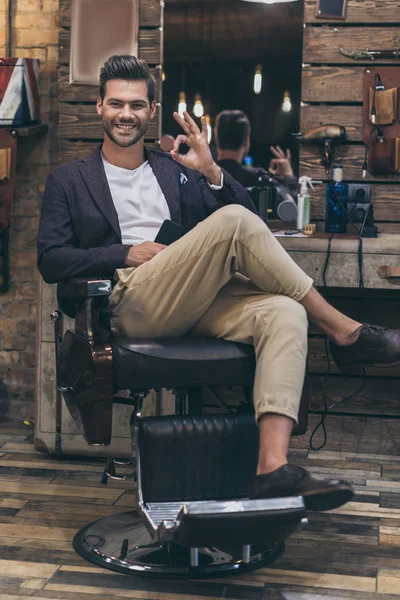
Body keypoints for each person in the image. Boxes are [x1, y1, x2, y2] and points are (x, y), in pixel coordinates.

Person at [38, 55, 400, 512]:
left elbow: (250, 222)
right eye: (115, 104)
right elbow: (51, 259)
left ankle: (271, 469)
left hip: (191, 300)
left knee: (284, 311)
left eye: (136, 104)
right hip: (128, 301)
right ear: (99, 107)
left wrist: (211, 170)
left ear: (152, 111)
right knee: (232, 223)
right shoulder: (69, 180)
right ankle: (346, 332)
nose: (125, 114)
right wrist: (125, 252)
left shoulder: (174, 169)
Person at [214, 109, 297, 200]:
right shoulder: (259, 179)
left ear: (216, 138)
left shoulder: (203, 177)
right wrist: (288, 176)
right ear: (246, 141)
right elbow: (291, 205)